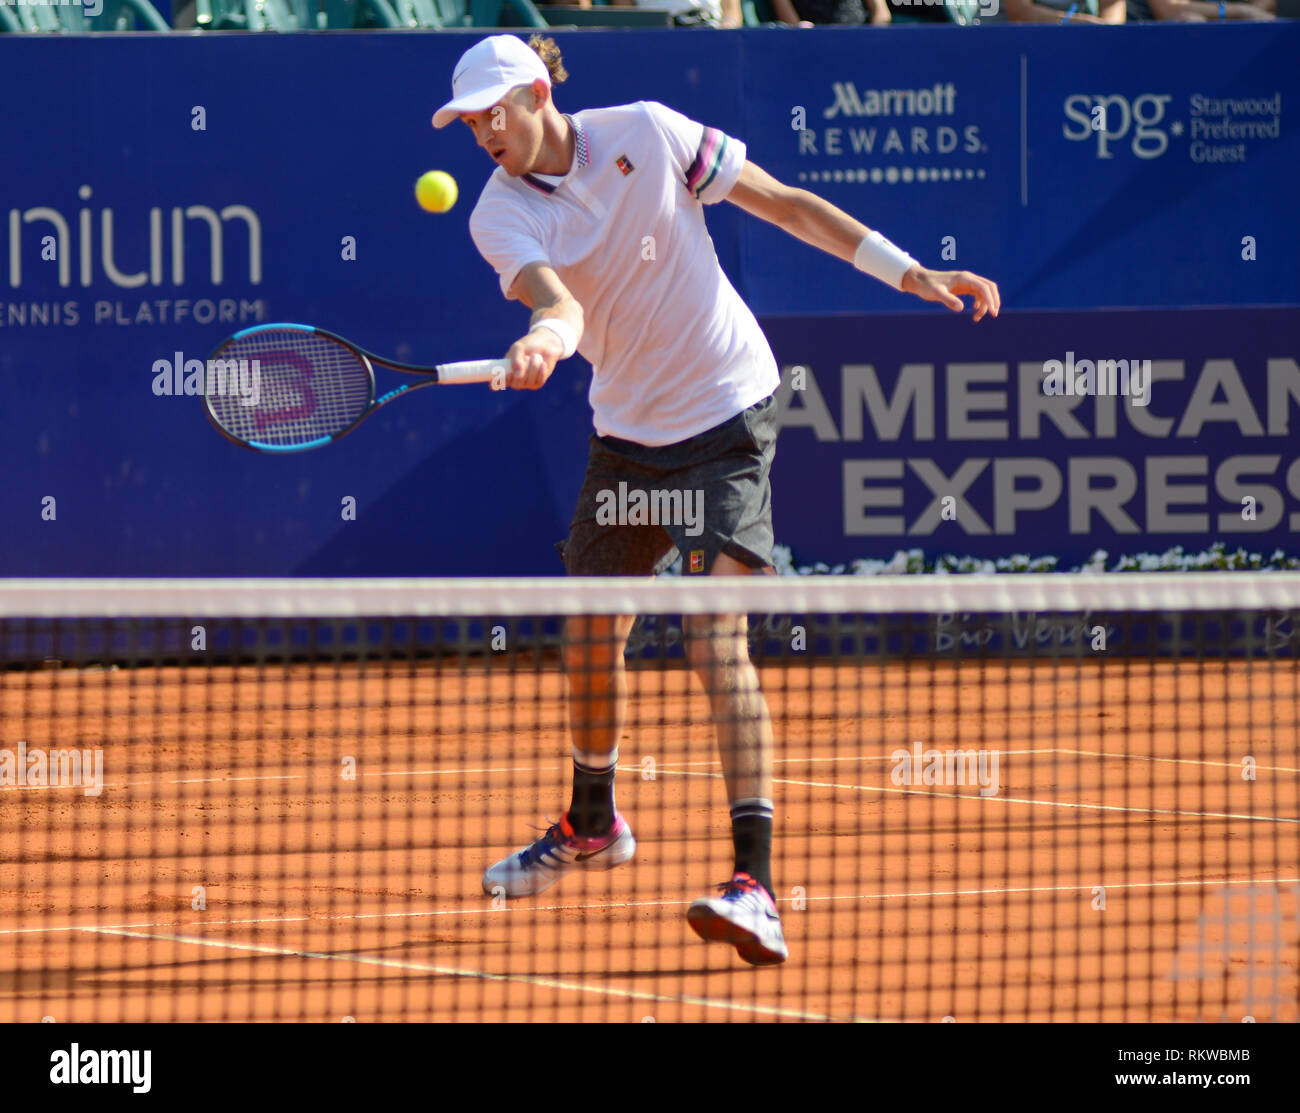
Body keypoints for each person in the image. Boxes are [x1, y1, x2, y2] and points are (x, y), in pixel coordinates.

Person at [432, 33, 999, 966]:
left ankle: (756, 886)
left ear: (537, 92)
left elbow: (782, 204)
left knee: (711, 635)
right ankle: (591, 821)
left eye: (494, 113)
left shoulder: (648, 133)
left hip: (729, 416)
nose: (482, 134)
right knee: (585, 635)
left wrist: (911, 272)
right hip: (628, 439)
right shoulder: (496, 214)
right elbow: (557, 305)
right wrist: (546, 333)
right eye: (468, 124)